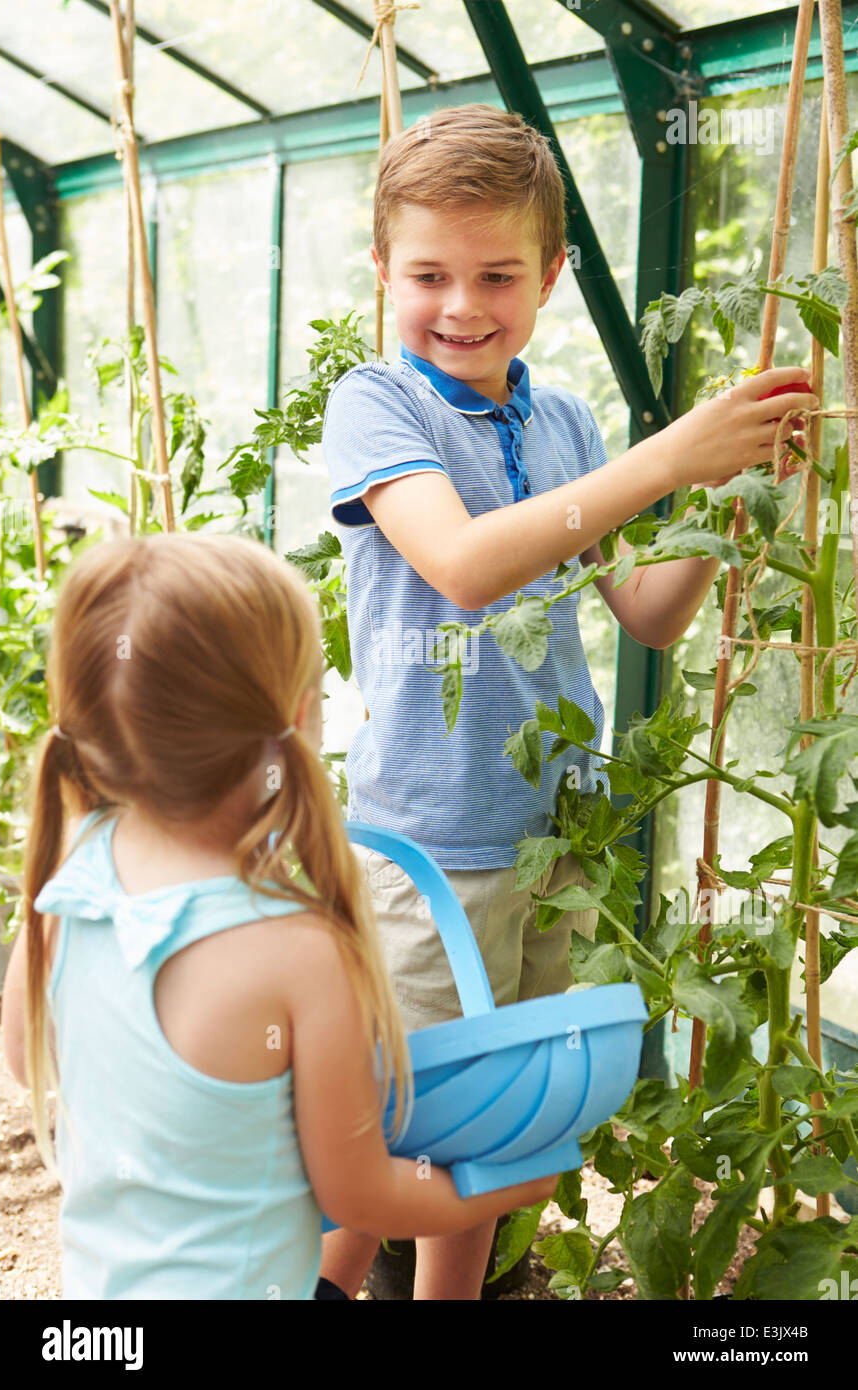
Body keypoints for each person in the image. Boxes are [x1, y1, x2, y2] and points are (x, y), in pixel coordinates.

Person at [319, 102, 815, 1300]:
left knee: (505, 1112)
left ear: (550, 275)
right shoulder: (378, 406)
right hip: (428, 846)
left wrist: (719, 501)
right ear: (380, 269)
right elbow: (464, 562)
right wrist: (663, 461)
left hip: (557, 830)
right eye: (428, 273)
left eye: (497, 273)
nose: (461, 305)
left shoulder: (565, 421)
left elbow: (643, 610)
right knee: (408, 1113)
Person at [1, 532, 560, 1300]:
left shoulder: (74, 874)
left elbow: (28, 1053)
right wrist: (509, 1183)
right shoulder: (297, 950)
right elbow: (358, 1196)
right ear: (302, 715)